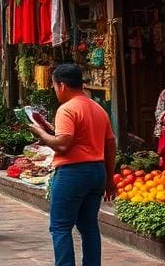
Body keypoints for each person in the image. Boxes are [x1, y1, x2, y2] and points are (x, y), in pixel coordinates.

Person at [29, 63, 115, 266]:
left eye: (54, 85)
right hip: (97, 171)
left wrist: (40, 133)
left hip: (73, 172)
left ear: (62, 85)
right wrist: (109, 178)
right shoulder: (98, 108)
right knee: (89, 226)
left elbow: (63, 144)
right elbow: (110, 145)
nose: (54, 90)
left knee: (60, 227)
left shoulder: (67, 109)